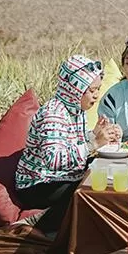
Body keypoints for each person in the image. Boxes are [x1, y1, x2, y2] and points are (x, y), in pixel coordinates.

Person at [15, 54, 113, 232]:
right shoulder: (53, 114)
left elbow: (72, 144)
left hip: (62, 175)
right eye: (91, 90)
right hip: (37, 184)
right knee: (86, 188)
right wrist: (94, 144)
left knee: (104, 171)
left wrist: (94, 135)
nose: (96, 96)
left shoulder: (76, 110)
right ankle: (40, 222)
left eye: (98, 89)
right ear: (75, 89)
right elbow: (53, 159)